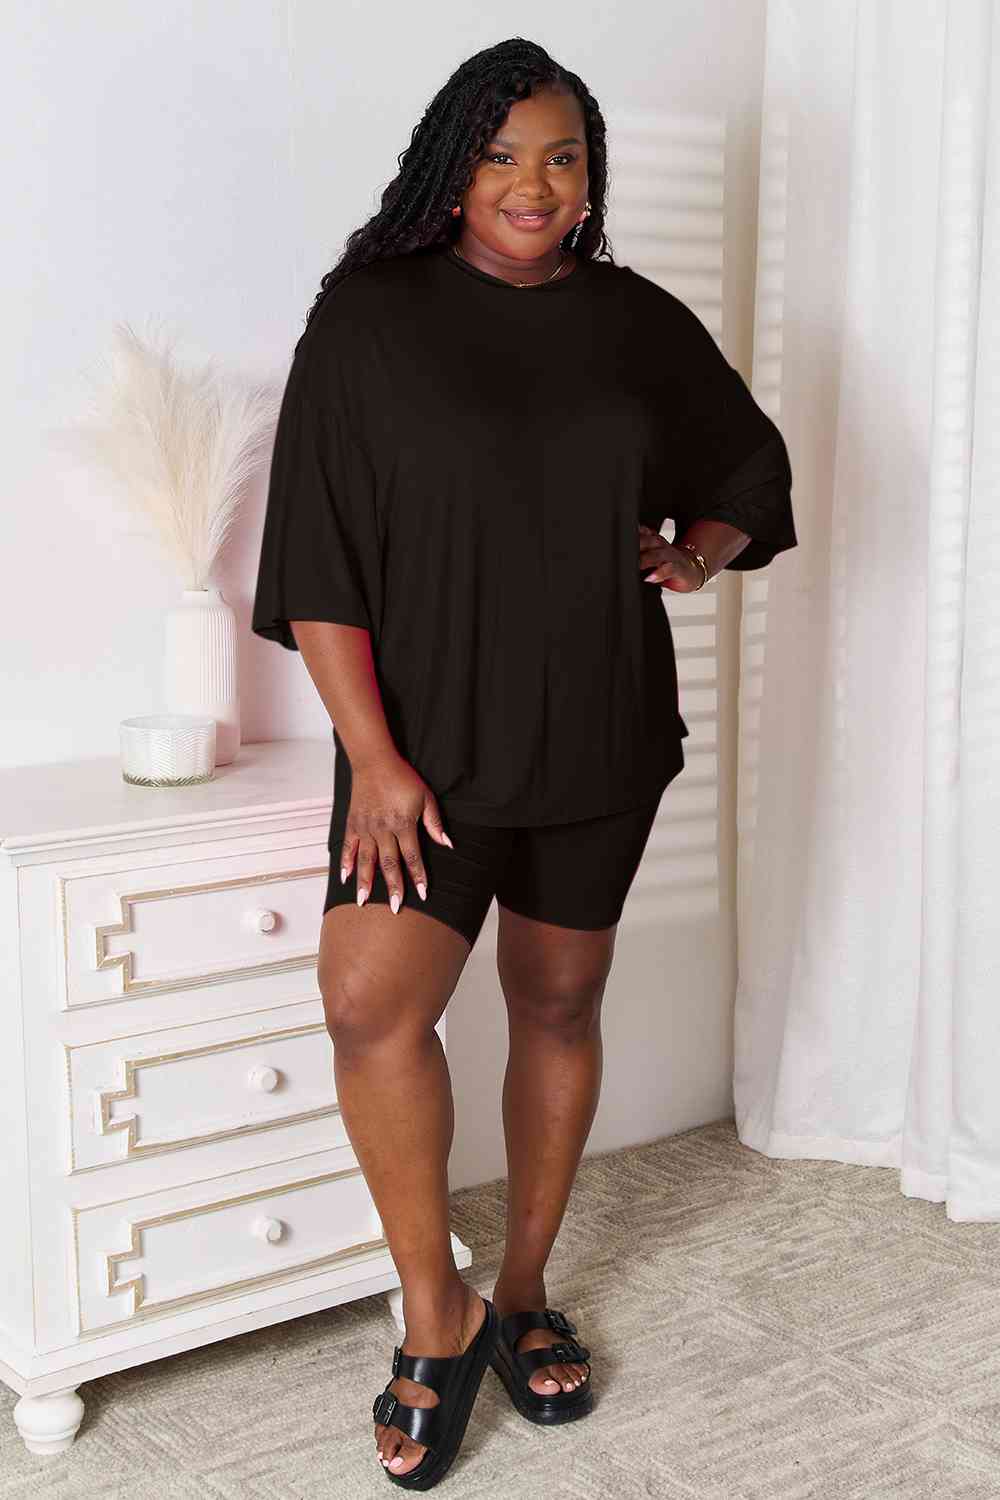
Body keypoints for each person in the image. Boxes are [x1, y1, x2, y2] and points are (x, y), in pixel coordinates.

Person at [251, 35, 797, 1490]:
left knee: (558, 1003)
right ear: (453, 167)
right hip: (422, 752)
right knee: (371, 1006)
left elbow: (749, 467)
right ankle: (433, 1307)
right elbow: (318, 555)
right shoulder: (370, 317)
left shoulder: (633, 321)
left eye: (563, 157)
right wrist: (374, 760)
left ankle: (526, 1289)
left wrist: (695, 553)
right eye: (501, 156)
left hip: (597, 725)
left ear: (590, 175)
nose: (534, 185)